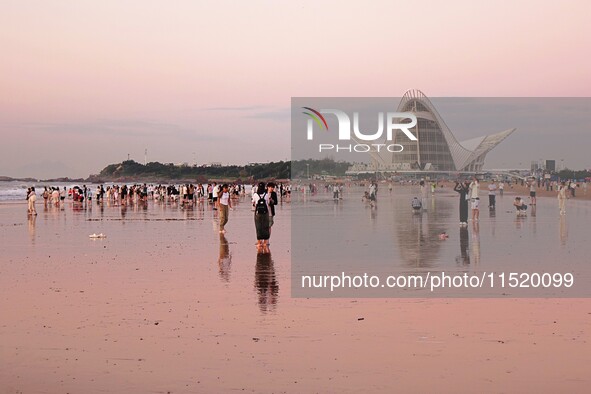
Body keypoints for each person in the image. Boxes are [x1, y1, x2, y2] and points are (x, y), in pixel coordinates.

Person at [252, 182, 270, 249]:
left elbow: (253, 203)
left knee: (258, 227)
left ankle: (259, 242)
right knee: (265, 226)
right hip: (265, 213)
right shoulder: (266, 194)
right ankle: (265, 242)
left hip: (258, 213)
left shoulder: (255, 195)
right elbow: (268, 203)